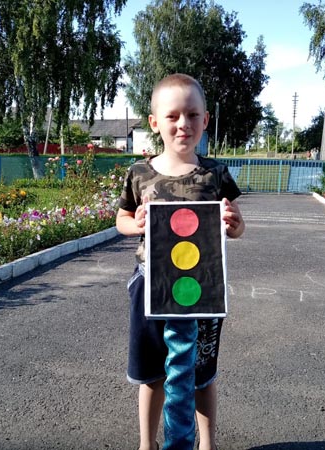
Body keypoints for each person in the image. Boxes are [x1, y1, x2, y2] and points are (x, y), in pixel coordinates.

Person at [115, 73, 245, 450]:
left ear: (205, 120)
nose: (183, 123)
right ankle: (147, 444)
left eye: (192, 115)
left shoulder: (215, 174)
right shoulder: (140, 173)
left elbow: (236, 226)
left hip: (202, 289)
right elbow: (122, 219)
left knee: (201, 374)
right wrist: (136, 223)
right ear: (155, 122)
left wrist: (235, 224)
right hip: (150, 285)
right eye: (172, 116)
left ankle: (206, 444)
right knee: (153, 374)